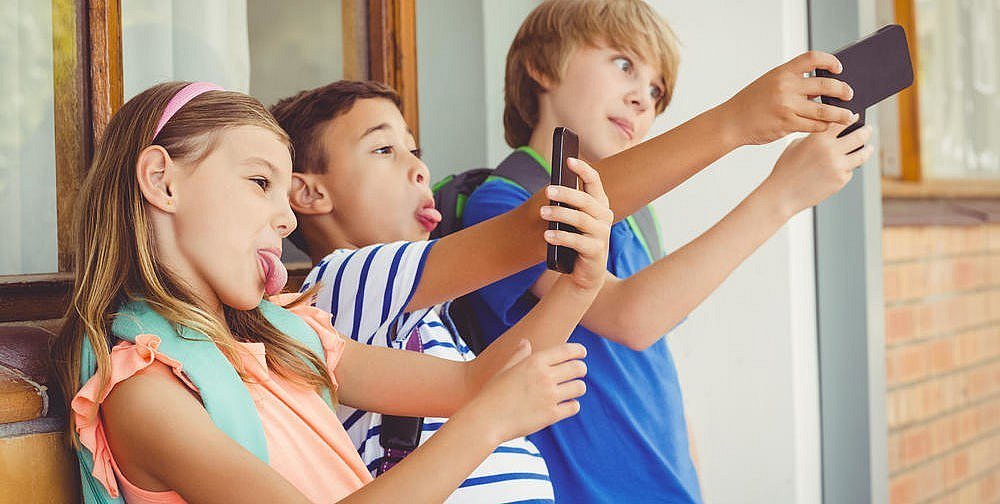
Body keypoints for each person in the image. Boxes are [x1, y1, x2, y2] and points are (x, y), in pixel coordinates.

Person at [50, 81, 605, 504]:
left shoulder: (290, 338)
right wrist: (487, 423)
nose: (286, 219)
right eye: (260, 182)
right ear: (161, 181)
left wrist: (578, 288)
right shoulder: (144, 395)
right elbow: (482, 403)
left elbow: (471, 383)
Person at [457, 1, 874, 501]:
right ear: (541, 66)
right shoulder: (503, 204)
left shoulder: (633, 215)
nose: (642, 99)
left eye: (656, 90)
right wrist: (780, 196)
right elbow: (632, 318)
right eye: (623, 64)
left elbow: (655, 366)